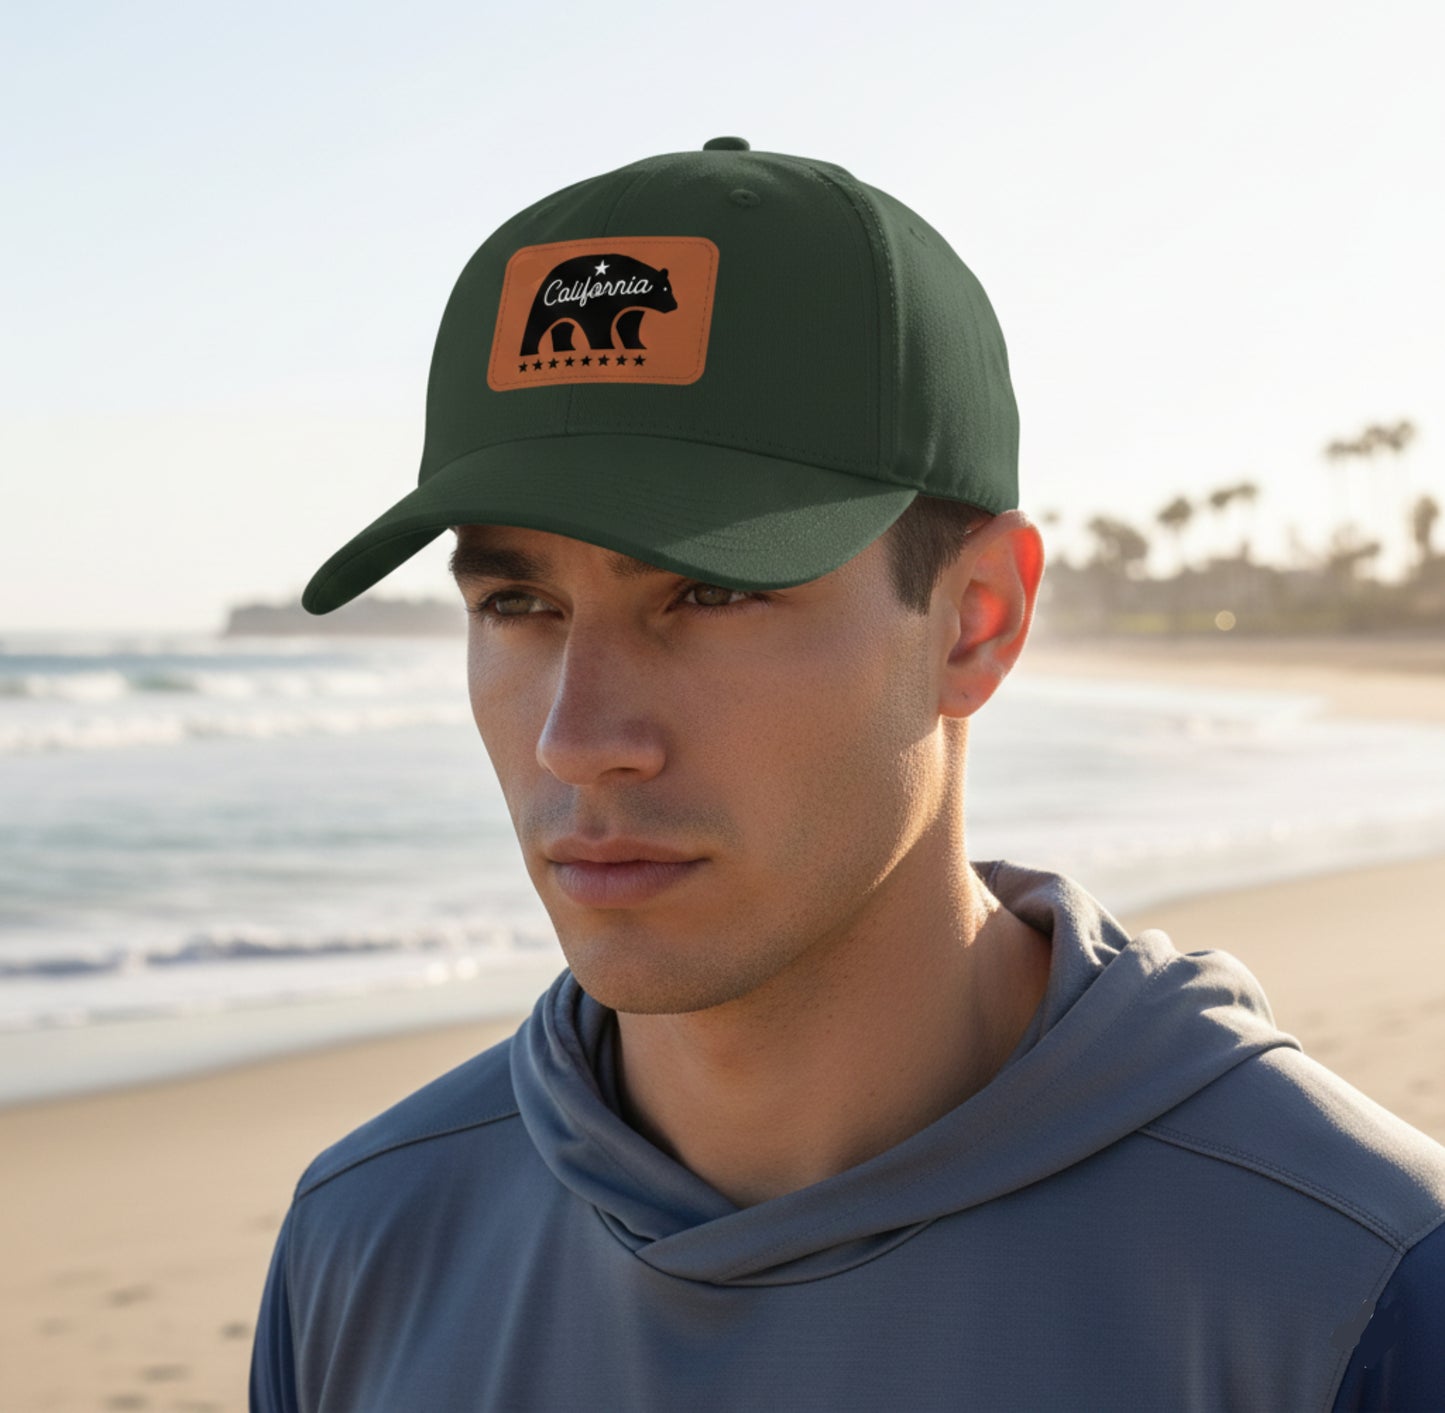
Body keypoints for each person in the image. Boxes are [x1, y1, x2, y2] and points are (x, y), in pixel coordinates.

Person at [251, 137, 1445, 1411]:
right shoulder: (363, 1237)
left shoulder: (1353, 1285)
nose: (577, 734)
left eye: (709, 593)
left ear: (974, 621)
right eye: (517, 601)